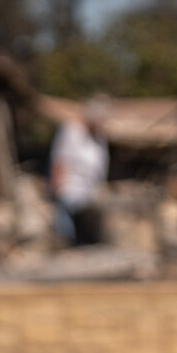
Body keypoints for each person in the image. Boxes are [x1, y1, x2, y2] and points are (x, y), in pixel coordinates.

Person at [50, 98, 110, 245]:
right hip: (70, 187)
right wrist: (57, 186)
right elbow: (60, 158)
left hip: (89, 191)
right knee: (66, 232)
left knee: (86, 234)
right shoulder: (71, 130)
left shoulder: (99, 137)